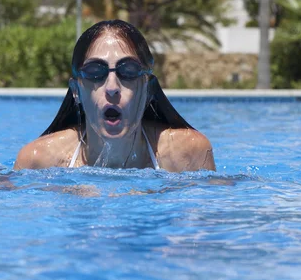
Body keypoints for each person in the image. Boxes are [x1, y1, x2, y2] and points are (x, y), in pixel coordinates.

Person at [14, 19, 215, 172]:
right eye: (95, 72)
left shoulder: (188, 154)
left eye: (128, 71)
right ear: (76, 91)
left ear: (148, 90)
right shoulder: (37, 161)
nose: (112, 87)